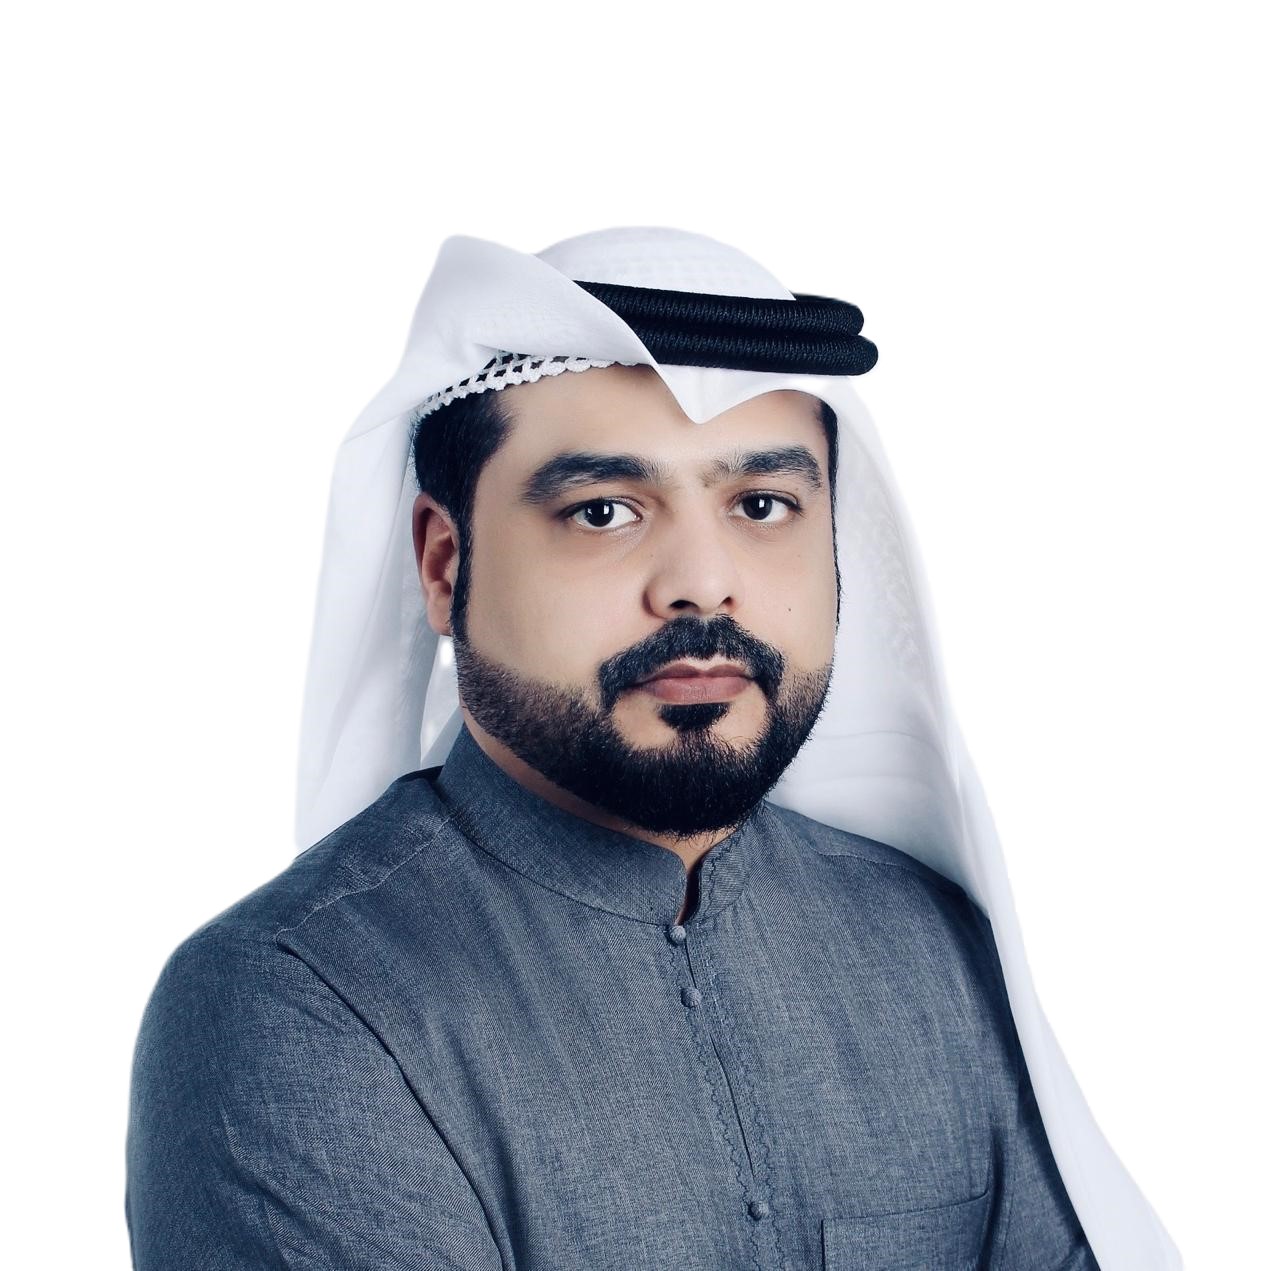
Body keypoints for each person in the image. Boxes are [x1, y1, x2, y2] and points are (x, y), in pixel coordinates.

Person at [125, 228, 1179, 1269]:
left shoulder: (933, 952)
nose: (701, 583)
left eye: (762, 505)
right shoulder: (297, 1003)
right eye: (603, 511)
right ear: (445, 564)